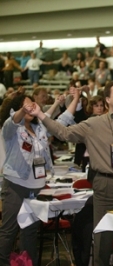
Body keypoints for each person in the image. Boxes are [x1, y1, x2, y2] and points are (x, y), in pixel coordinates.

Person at [26, 80, 113, 265]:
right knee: (102, 241)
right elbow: (64, 133)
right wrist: (41, 115)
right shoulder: (92, 124)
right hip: (104, 185)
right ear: (107, 99)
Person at [0, 90, 78, 266]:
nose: (30, 107)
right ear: (18, 108)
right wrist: (23, 109)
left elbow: (63, 120)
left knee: (31, 230)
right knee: (9, 230)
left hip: (37, 186)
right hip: (16, 184)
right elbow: (12, 121)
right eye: (25, 105)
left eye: (32, 105)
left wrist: (74, 99)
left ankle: (28, 263)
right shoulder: (10, 129)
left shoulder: (39, 128)